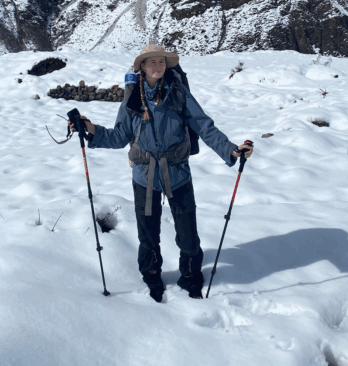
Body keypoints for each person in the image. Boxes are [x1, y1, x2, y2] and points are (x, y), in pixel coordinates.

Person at [70, 44, 253, 302]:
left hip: (178, 173)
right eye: (152, 62)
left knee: (188, 234)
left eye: (162, 61)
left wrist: (231, 150)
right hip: (144, 176)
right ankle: (152, 275)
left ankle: (190, 276)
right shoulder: (133, 98)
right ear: (142, 67)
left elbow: (203, 125)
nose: (158, 66)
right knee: (148, 234)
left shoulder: (178, 93)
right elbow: (120, 135)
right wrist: (89, 129)